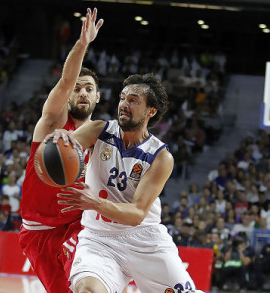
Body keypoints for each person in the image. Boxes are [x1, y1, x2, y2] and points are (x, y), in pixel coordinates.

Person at [56, 73, 201, 292]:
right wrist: (56, 143)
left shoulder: (160, 157)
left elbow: (136, 214)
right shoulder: (99, 131)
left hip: (145, 241)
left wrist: (94, 203)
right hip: (99, 238)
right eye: (122, 98)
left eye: (133, 100)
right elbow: (63, 149)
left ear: (151, 111)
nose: (124, 104)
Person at [17, 7, 103, 293]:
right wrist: (82, 45)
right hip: (37, 231)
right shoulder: (53, 124)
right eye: (78, 89)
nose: (82, 93)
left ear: (98, 97)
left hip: (77, 227)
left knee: (86, 284)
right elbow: (66, 81)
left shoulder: (102, 141)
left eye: (89, 89)